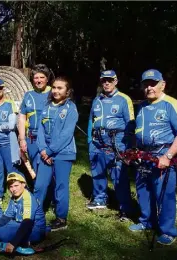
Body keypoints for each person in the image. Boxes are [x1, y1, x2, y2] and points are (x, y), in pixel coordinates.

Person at [128, 69, 177, 245]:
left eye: (153, 83)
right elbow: (136, 132)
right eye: (146, 84)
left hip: (163, 158)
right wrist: (134, 151)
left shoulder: (171, 104)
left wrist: (168, 156)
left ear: (162, 84)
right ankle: (146, 221)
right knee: (143, 191)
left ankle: (167, 231)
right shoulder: (141, 106)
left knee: (164, 194)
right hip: (143, 157)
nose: (149, 87)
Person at [87, 70, 134, 221]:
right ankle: (100, 198)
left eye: (109, 80)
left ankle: (125, 208)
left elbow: (131, 124)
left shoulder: (123, 99)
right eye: (104, 81)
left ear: (116, 81)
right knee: (97, 172)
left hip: (117, 142)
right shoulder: (97, 99)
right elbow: (90, 120)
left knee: (119, 176)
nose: (106, 83)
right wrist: (89, 141)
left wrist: (128, 146)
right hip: (97, 142)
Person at [35, 76, 78, 230]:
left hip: (63, 153)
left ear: (67, 92)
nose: (55, 90)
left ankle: (61, 219)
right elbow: (40, 130)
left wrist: (50, 150)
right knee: (40, 185)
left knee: (60, 186)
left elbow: (66, 135)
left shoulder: (70, 108)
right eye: (54, 87)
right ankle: (34, 213)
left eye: (60, 88)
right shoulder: (47, 106)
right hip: (45, 153)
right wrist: (42, 150)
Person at [0, 172, 46, 253]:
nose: (13, 189)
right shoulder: (14, 197)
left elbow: (27, 223)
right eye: (11, 186)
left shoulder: (28, 198)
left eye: (16, 185)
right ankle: (13, 239)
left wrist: (13, 243)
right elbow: (6, 217)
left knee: (3, 234)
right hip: (20, 224)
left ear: (23, 184)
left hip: (35, 228)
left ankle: (24, 242)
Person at [18, 64, 53, 180]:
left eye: (42, 77)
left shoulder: (53, 94)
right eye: (36, 78)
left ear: (47, 79)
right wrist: (22, 139)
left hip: (49, 138)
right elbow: (22, 117)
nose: (38, 81)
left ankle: (49, 195)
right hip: (32, 138)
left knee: (49, 167)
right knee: (35, 167)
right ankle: (39, 194)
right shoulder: (28, 95)